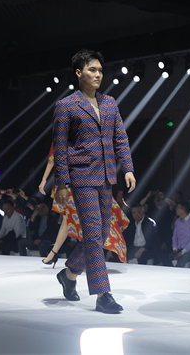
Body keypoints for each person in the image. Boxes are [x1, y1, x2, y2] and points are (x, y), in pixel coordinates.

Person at [52, 48, 136, 314]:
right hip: (82, 177)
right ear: (79, 73)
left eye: (100, 70)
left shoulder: (110, 103)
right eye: (92, 70)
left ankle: (69, 274)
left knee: (101, 233)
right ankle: (103, 294)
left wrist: (128, 168)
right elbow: (60, 148)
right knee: (91, 231)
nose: (98, 74)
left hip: (107, 175)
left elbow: (120, 138)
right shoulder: (66, 106)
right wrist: (62, 183)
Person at [38, 143, 130, 267]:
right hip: (73, 181)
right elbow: (52, 158)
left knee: (80, 219)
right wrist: (44, 180)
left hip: (78, 180)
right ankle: (64, 255)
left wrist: (44, 180)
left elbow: (53, 159)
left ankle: (65, 255)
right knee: (71, 219)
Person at [171, 201, 190, 267]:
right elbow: (175, 236)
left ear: (183, 210)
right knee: (167, 258)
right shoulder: (177, 221)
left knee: (181, 261)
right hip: (180, 249)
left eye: (178, 208)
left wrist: (182, 252)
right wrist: (174, 249)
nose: (176, 209)